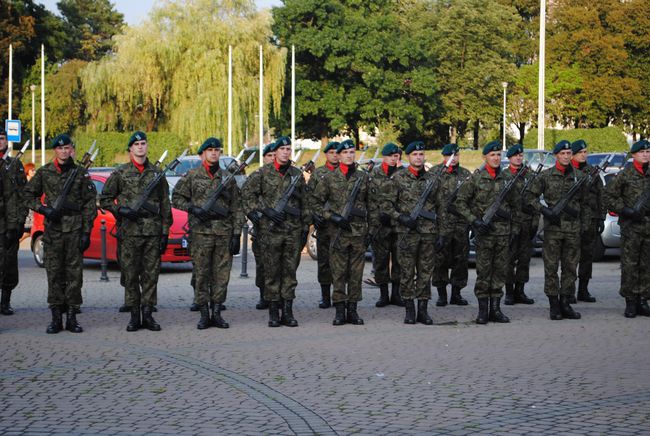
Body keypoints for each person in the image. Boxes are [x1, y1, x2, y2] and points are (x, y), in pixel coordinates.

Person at [23, 134, 97, 333]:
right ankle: (56, 318)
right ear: (55, 150)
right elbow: (27, 195)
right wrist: (44, 209)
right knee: (54, 274)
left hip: (74, 231)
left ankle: (72, 317)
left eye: (67, 148)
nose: (64, 151)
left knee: (75, 276)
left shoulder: (80, 173)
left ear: (71, 149)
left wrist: (86, 232)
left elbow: (90, 205)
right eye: (60, 148)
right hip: (54, 232)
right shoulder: (45, 172)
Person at [99, 131, 173, 332]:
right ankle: (134, 316)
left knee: (151, 276)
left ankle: (148, 315)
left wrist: (165, 233)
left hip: (152, 233)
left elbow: (165, 204)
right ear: (130, 149)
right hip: (129, 234)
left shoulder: (157, 174)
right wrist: (120, 210)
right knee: (130, 276)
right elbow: (104, 199)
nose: (140, 147)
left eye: (143, 143)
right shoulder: (120, 173)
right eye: (136, 144)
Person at [172, 137, 244, 329]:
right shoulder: (192, 175)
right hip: (200, 234)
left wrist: (236, 234)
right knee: (202, 274)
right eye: (210, 150)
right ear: (202, 153)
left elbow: (237, 206)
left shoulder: (227, 177)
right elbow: (176, 198)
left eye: (217, 150)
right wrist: (193, 209)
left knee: (222, 275)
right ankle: (204, 314)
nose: (214, 153)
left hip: (223, 233)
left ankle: (217, 313)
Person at [241, 136, 308, 327]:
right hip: (270, 232)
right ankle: (273, 312)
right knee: (271, 272)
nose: (286, 152)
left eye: (288, 149)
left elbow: (306, 203)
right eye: (282, 149)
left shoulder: (297, 174)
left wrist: (304, 228)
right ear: (275, 152)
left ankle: (288, 311)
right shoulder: (262, 173)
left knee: (289, 272)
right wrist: (263, 211)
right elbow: (246, 195)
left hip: (292, 231)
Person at [456, 141, 519, 324]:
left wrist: (513, 229)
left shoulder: (508, 179)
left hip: (503, 233)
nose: (496, 158)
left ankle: (496, 310)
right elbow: (460, 202)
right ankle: (483, 311)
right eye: (492, 155)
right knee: (484, 273)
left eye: (499, 155)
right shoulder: (476, 179)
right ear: (485, 157)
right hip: (484, 234)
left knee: (500, 272)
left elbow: (517, 206)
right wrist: (474, 220)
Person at [526, 140, 588, 320]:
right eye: (563, 154)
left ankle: (565, 302)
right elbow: (530, 197)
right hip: (553, 230)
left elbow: (585, 203)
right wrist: (544, 209)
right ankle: (554, 305)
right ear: (556, 156)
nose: (566, 156)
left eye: (569, 153)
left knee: (570, 268)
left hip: (573, 230)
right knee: (551, 268)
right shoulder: (545, 176)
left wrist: (584, 226)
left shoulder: (579, 176)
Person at [313, 139, 372, 326]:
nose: (349, 155)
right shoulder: (329, 178)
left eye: (352, 152)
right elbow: (315, 203)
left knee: (356, 274)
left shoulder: (363, 178)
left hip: (358, 233)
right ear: (338, 155)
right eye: (345, 152)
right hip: (337, 233)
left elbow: (373, 205)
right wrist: (332, 217)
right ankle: (339, 310)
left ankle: (353, 310)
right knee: (338, 273)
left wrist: (371, 229)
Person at [389, 141, 437, 324]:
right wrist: (400, 217)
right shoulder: (399, 179)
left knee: (425, 272)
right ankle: (409, 309)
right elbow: (387, 205)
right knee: (407, 272)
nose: (418, 157)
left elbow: (441, 206)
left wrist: (441, 233)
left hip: (428, 233)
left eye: (421, 154)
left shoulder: (433, 179)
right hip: (407, 234)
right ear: (408, 157)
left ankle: (423, 310)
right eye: (415, 154)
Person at [603, 139, 650, 318]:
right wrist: (625, 210)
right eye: (642, 152)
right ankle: (630, 302)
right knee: (630, 265)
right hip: (632, 227)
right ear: (634, 155)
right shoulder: (625, 175)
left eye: (648, 152)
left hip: (648, 225)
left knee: (646, 265)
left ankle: (643, 300)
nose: (646, 154)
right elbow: (608, 196)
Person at [431, 143, 471, 307]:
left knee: (460, 261)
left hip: (461, 226)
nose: (453, 159)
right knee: (440, 261)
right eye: (450, 156)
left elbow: (472, 200)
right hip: (442, 226)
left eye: (456, 156)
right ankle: (441, 295)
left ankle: (456, 294)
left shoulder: (466, 175)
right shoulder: (435, 173)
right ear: (444, 157)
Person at [368, 142, 403, 308]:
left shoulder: (402, 174)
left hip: (398, 226)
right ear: (384, 156)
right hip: (380, 226)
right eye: (390, 156)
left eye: (396, 156)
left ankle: (396, 294)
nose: (393, 159)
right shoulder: (374, 175)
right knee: (381, 261)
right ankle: (383, 294)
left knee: (399, 261)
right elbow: (369, 201)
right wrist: (377, 218)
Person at [305, 141, 339, 309]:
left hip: (341, 225)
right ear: (326, 154)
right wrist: (314, 216)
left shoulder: (346, 172)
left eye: (337, 152)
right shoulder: (318, 174)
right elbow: (310, 197)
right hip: (325, 225)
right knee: (324, 262)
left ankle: (340, 296)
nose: (335, 155)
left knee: (341, 262)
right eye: (331, 152)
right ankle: (325, 296)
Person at [568, 139, 603, 303]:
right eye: (580, 152)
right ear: (573, 155)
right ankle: (569, 291)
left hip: (590, 220)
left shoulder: (592, 172)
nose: (583, 155)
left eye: (585, 152)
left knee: (587, 256)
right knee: (570, 257)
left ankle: (583, 290)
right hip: (572, 220)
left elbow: (601, 196)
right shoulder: (568, 172)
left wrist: (601, 218)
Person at [503, 144, 535, 305]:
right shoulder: (504, 176)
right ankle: (509, 292)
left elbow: (536, 198)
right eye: (515, 156)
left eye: (520, 155)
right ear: (509, 158)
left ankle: (520, 291)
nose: (518, 158)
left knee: (524, 259)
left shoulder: (530, 175)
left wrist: (535, 223)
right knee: (508, 259)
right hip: (510, 224)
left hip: (527, 224)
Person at [0, 130, 28, 315]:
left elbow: (24, 195)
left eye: (2, 138)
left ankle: (5, 302)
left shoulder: (15, 164)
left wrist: (19, 222)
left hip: (10, 224)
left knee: (9, 264)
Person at [247, 143, 276, 310]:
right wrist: (253, 213)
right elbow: (246, 197)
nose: (272, 158)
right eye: (269, 156)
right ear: (264, 158)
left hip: (280, 228)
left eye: (274, 155)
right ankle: (263, 295)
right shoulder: (257, 176)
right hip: (261, 228)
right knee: (262, 265)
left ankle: (277, 297)